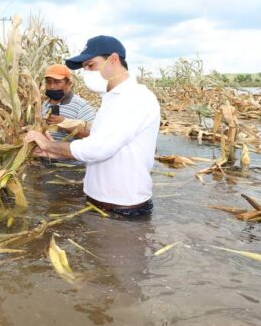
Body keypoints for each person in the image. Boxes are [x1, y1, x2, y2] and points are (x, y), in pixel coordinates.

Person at [25, 35, 160, 217]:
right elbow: (97, 146)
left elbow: (98, 148)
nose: (87, 72)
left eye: (90, 65)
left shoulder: (136, 98)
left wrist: (48, 144)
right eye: (84, 68)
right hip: (96, 205)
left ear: (113, 59)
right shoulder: (111, 99)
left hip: (123, 210)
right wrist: (55, 153)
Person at [41, 64, 96, 142]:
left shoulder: (81, 105)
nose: (52, 86)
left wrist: (64, 123)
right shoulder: (44, 105)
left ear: (68, 84)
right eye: (48, 82)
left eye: (57, 82)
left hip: (66, 153)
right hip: (42, 153)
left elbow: (93, 134)